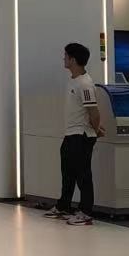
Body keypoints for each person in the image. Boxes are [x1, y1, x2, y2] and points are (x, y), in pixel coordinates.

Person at [43, 42, 104, 225]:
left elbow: (93, 111)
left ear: (73, 59)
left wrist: (96, 129)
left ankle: (85, 212)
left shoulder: (85, 84)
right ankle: (64, 205)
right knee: (67, 172)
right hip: (71, 134)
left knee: (82, 174)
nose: (64, 59)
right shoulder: (73, 80)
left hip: (81, 135)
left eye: (66, 56)